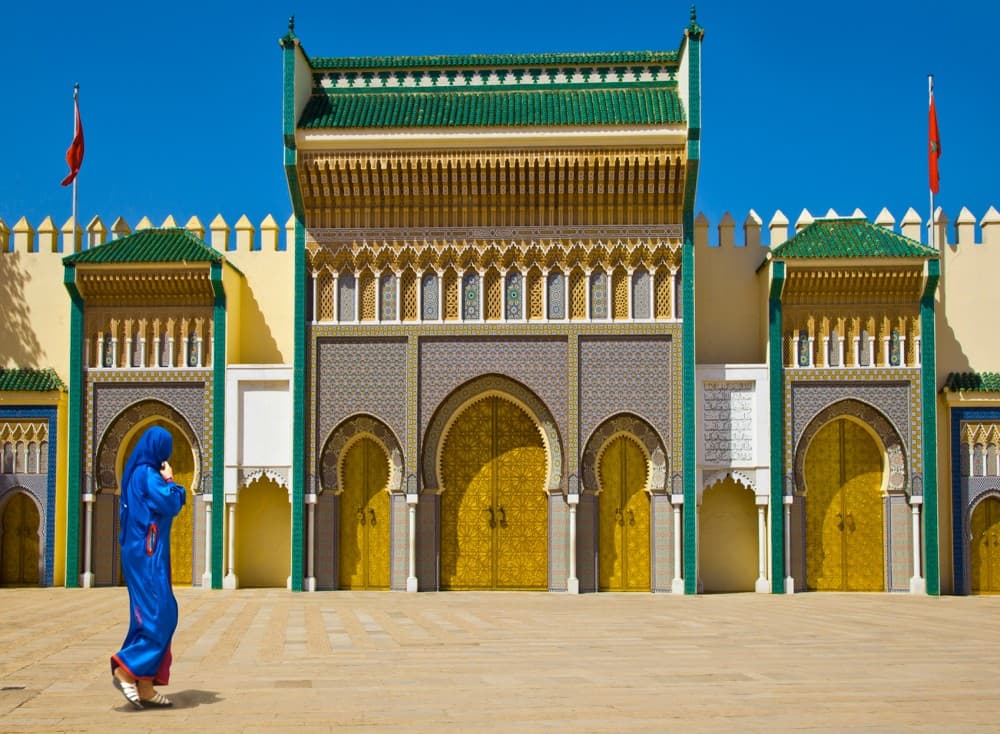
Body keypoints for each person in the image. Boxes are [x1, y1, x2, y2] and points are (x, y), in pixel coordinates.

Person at [110, 425, 186, 709]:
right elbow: (170, 501)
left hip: (144, 552)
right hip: (148, 553)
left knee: (149, 615)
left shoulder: (137, 474)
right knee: (162, 613)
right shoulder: (147, 475)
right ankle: (126, 668)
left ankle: (144, 684)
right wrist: (172, 481)